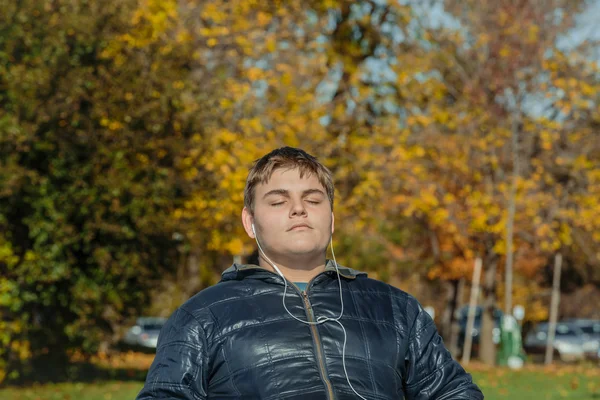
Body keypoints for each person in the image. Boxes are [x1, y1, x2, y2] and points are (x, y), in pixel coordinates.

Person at [136, 147, 484, 399]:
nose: (299, 209)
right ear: (250, 221)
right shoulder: (202, 315)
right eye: (278, 201)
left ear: (331, 219)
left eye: (313, 200)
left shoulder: (396, 309)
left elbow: (453, 392)